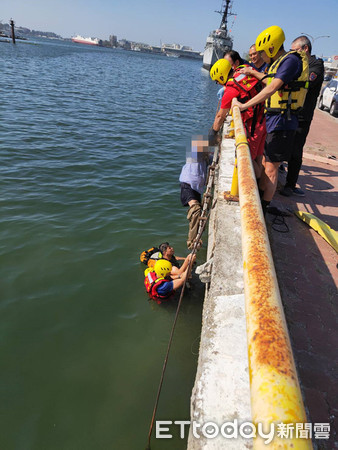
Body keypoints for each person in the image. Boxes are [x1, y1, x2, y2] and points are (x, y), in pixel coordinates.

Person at [232, 25, 309, 215]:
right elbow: (268, 80)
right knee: (267, 162)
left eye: (263, 52)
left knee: (271, 168)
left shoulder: (290, 61)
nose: (261, 55)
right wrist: (253, 73)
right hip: (274, 119)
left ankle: (263, 209)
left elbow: (272, 87)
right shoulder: (279, 62)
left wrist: (244, 105)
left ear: (272, 47)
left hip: (284, 121)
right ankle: (259, 198)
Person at [280, 35, 324, 197]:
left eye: (296, 51)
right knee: (284, 144)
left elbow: (307, 82)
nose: (293, 55)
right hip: (290, 111)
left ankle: (290, 185)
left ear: (305, 49)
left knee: (295, 151)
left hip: (302, 117)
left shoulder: (315, 65)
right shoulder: (299, 64)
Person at [210, 57, 266, 179]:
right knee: (259, 157)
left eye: (217, 81)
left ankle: (257, 187)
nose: (219, 84)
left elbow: (220, 116)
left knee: (248, 160)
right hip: (264, 118)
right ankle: (262, 185)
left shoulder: (231, 89)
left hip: (253, 126)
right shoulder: (242, 70)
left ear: (221, 76)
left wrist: (213, 132)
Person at [179, 136, 213, 249]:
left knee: (200, 213)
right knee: (196, 210)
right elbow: (196, 146)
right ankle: (191, 242)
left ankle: (197, 238)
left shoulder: (207, 159)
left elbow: (217, 158)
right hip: (187, 185)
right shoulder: (195, 156)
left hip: (197, 189)